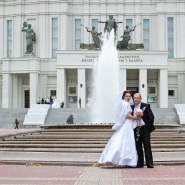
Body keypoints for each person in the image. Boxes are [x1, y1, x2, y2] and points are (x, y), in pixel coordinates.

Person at [98, 90, 139, 167]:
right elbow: (125, 115)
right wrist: (135, 117)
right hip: (127, 123)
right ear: (123, 96)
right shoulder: (125, 104)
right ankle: (125, 160)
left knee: (122, 140)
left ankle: (120, 159)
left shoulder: (122, 103)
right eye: (126, 96)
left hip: (127, 123)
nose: (128, 97)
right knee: (126, 140)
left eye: (129, 96)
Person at [131, 93, 155, 168]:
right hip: (135, 129)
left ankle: (149, 163)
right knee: (138, 146)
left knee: (147, 145)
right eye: (134, 98)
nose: (136, 99)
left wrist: (147, 127)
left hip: (144, 128)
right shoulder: (131, 107)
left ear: (141, 98)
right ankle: (140, 163)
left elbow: (151, 117)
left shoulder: (146, 106)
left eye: (137, 98)